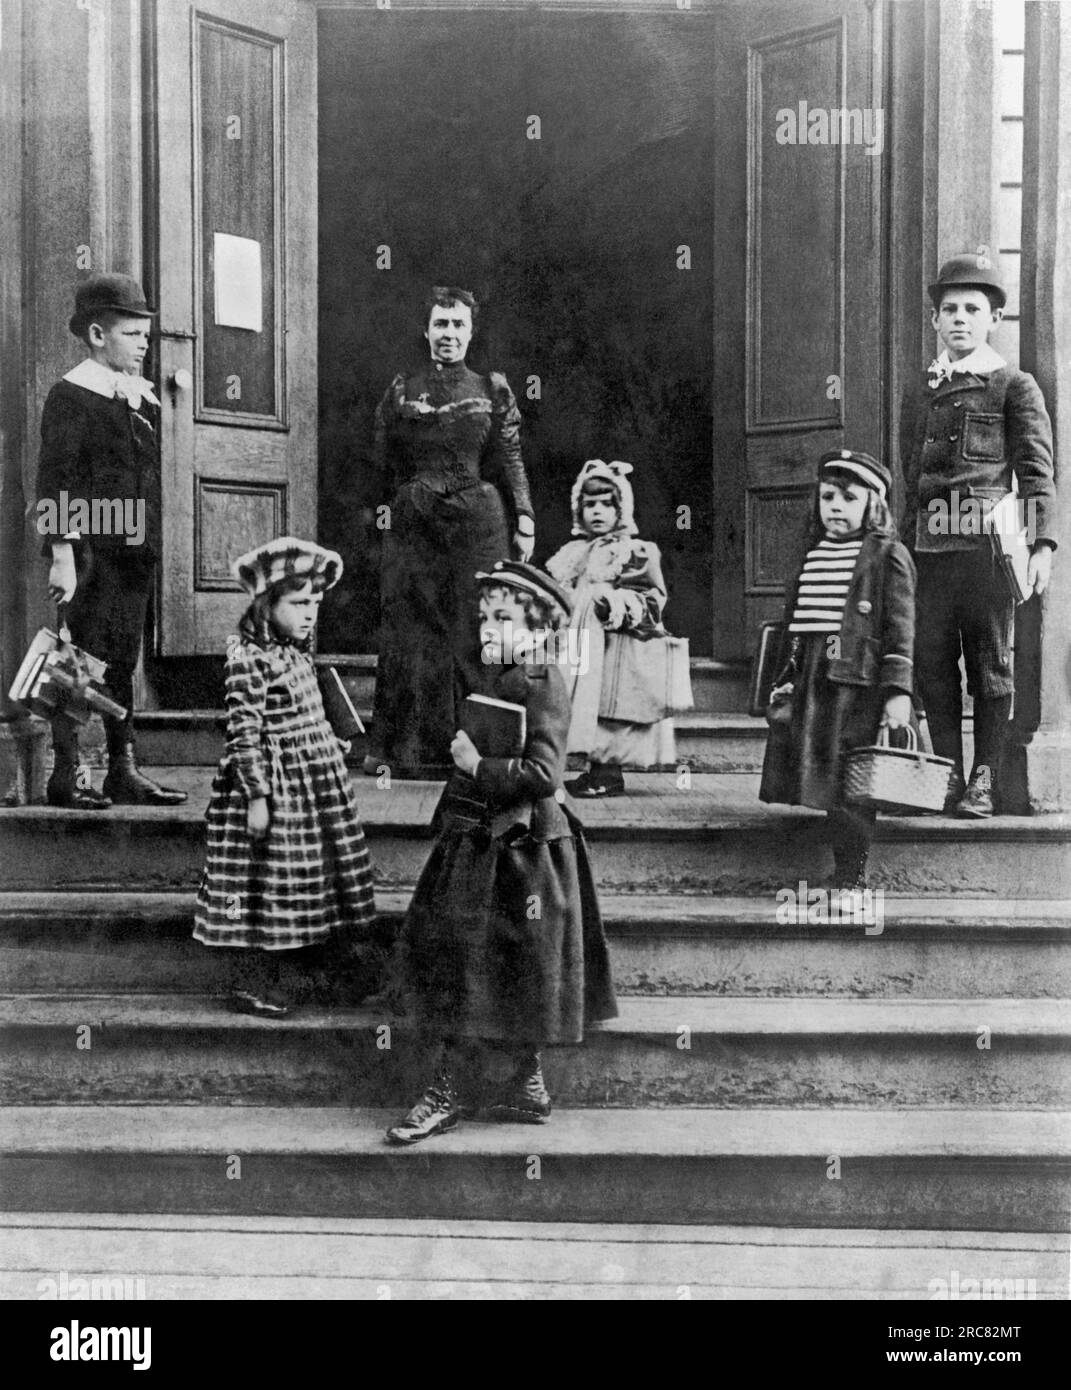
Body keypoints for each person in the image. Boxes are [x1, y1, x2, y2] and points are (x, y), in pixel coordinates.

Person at [385, 560, 617, 1145]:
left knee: (503, 958)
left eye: (505, 617)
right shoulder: (502, 674)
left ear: (539, 627)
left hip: (524, 849)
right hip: (482, 838)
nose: (489, 627)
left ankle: (461, 1085)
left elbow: (543, 773)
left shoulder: (541, 679)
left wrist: (476, 766)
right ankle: (520, 1082)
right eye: (485, 616)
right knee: (487, 959)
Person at [899, 249, 1056, 817]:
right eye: (949, 309)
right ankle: (945, 773)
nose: (960, 318)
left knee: (990, 667)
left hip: (986, 554)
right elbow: (907, 475)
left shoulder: (1014, 386)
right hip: (926, 552)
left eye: (972, 308)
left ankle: (984, 778)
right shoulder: (921, 389)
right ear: (936, 321)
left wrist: (1042, 546)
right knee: (933, 666)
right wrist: (899, 547)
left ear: (993, 320)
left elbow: (1037, 471)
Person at [193, 537, 377, 1019]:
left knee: (311, 874)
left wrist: (326, 741)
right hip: (274, 789)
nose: (310, 613)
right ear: (266, 604)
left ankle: (321, 970)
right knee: (264, 880)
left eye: (315, 603)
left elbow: (305, 714)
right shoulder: (248, 658)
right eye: (298, 603)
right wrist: (257, 795)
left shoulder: (297, 653)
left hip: (314, 787)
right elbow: (244, 731)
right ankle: (254, 979)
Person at [363, 286, 535, 777]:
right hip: (415, 520)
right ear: (426, 330)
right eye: (441, 324)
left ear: (471, 331)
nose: (449, 334)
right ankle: (410, 750)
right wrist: (387, 514)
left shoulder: (490, 389)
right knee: (410, 628)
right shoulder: (402, 390)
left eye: (458, 325)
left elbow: (510, 458)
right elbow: (381, 462)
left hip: (479, 522)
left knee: (477, 627)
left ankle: (482, 749)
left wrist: (524, 517)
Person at [36, 273, 186, 808]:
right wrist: (63, 555)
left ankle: (122, 767)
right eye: (132, 334)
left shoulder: (139, 397)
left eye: (146, 334)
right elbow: (56, 479)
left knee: (123, 658)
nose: (144, 344)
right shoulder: (72, 395)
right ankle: (66, 769)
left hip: (131, 548)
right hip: (90, 551)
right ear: (98, 335)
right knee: (79, 655)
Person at [760, 451, 916, 889]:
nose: (835, 506)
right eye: (828, 496)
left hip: (856, 684)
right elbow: (798, 624)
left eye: (848, 498)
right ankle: (840, 867)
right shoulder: (812, 553)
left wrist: (898, 692)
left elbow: (900, 630)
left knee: (852, 780)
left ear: (873, 504)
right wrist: (785, 677)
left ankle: (853, 874)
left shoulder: (887, 556)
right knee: (825, 776)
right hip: (813, 678)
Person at [546, 458, 676, 797]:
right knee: (579, 705)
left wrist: (616, 604)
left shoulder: (633, 552)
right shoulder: (573, 553)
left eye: (608, 504)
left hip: (614, 645)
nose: (598, 511)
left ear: (623, 508)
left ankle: (608, 772)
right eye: (590, 505)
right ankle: (590, 768)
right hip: (579, 644)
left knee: (608, 708)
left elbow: (652, 598)